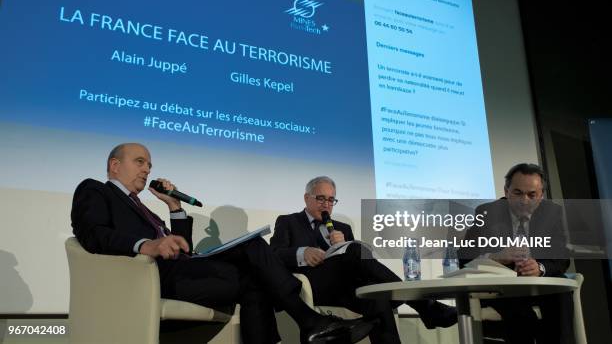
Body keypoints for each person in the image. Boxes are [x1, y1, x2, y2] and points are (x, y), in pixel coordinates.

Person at [71, 143, 374, 344]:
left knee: (255, 267)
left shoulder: (144, 207)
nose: (147, 170)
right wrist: (145, 244)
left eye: (149, 164)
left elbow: (183, 247)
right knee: (255, 252)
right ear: (114, 165)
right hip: (147, 277)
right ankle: (310, 321)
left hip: (180, 271)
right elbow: (92, 233)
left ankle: (309, 325)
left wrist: (175, 208)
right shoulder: (95, 190)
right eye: (139, 162)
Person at [270, 176, 457, 344]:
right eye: (320, 198)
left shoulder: (341, 227)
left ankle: (420, 306)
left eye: (331, 200)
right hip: (314, 286)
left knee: (378, 298)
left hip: (346, 289)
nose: (326, 204)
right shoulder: (288, 221)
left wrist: (344, 244)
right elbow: (274, 255)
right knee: (355, 250)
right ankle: (424, 305)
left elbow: (361, 265)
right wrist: (303, 252)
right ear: (307, 198)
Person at [458, 163, 573, 344]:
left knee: (561, 294)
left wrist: (540, 268)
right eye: (518, 193)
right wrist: (496, 257)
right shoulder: (487, 213)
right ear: (506, 191)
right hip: (502, 288)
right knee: (521, 317)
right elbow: (463, 257)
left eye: (532, 195)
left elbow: (561, 257)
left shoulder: (552, 213)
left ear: (541, 195)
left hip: (537, 286)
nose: (524, 200)